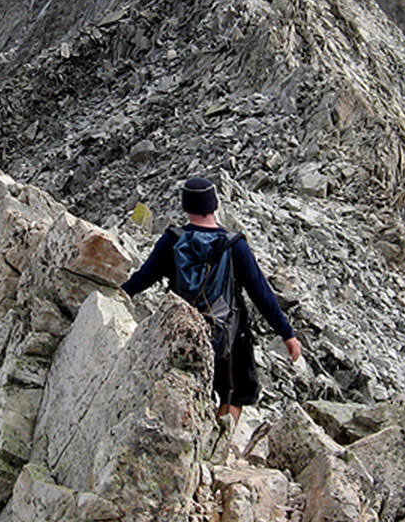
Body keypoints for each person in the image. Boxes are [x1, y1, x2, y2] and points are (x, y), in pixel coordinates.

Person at [122, 175, 302, 422]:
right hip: (229, 334)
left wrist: (115, 293)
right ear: (214, 204)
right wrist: (287, 334)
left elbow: (142, 279)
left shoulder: (172, 241)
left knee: (185, 389)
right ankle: (217, 449)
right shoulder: (235, 245)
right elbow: (261, 292)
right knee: (235, 395)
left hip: (183, 332)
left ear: (186, 207)